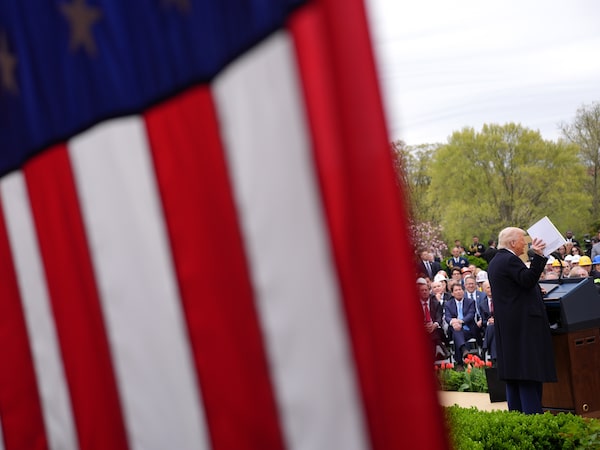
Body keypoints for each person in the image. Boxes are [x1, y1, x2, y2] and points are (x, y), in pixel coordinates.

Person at [487, 227, 557, 414]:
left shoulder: (496, 261)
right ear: (512, 243)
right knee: (528, 373)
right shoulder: (510, 260)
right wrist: (539, 256)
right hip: (523, 327)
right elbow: (527, 279)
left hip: (510, 327)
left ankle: (518, 417)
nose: (525, 244)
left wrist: (535, 291)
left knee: (515, 375)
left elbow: (516, 287)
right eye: (522, 240)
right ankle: (533, 418)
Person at [444, 282, 479, 364]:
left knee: (457, 333)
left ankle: (459, 362)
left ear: (463, 291)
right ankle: (464, 350)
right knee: (456, 330)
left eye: (460, 289)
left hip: (468, 330)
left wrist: (460, 321)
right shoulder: (448, 304)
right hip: (455, 329)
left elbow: (471, 314)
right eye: (456, 290)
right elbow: (447, 317)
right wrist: (453, 322)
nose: (458, 292)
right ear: (452, 293)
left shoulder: (470, 302)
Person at [417, 278, 449, 361]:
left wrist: (434, 325)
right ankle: (440, 347)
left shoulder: (435, 301)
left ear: (429, 291)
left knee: (434, 332)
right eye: (422, 290)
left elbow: (439, 316)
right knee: (429, 336)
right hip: (421, 330)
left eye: (426, 290)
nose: (424, 292)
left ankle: (432, 357)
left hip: (436, 329)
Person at [478, 280, 496, 362]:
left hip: (501, 326)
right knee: (491, 327)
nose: (491, 289)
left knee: (492, 328)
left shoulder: (500, 301)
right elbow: (483, 321)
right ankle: (494, 359)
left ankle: (484, 348)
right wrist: (489, 321)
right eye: (488, 288)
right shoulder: (482, 304)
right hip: (490, 330)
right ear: (484, 290)